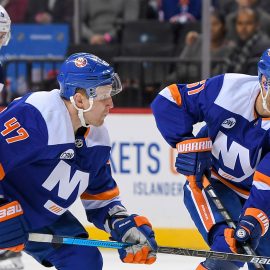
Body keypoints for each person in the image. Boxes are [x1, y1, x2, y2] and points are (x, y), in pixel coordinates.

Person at [0, 52, 157, 270]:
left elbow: (100, 198)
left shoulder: (97, 140)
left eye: (110, 93)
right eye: (103, 95)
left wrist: (121, 224)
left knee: (83, 260)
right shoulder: (37, 115)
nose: (110, 103)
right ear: (79, 99)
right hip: (6, 203)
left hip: (41, 217)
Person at [151, 48, 270, 270]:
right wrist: (186, 143)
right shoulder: (228, 89)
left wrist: (253, 221)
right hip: (212, 183)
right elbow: (168, 101)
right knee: (229, 251)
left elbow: (266, 184)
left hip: (261, 198)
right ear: (264, 81)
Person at [224, 7, 270, 74]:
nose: (243, 28)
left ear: (257, 25)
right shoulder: (234, 46)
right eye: (240, 23)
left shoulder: (264, 47)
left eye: (248, 23)